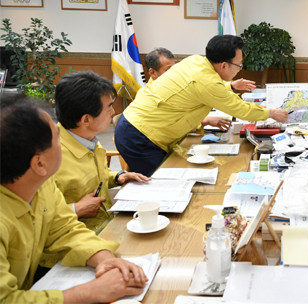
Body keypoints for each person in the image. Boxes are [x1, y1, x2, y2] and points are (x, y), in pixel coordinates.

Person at [0, 94, 148, 303]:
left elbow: (65, 227)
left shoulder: (41, 184)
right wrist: (91, 291)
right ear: (39, 164)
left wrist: (104, 258)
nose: (64, 143)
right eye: (58, 140)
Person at [115, 35, 289, 176]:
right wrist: (271, 113)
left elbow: (198, 88)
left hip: (137, 125)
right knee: (161, 183)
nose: (239, 69)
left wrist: (231, 85)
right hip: (139, 136)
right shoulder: (208, 82)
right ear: (223, 65)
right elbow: (239, 108)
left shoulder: (196, 61)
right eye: (238, 65)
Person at [51, 71, 150, 234]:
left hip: (106, 226)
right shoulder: (49, 159)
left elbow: (91, 176)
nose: (113, 112)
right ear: (86, 120)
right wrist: (76, 210)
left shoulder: (87, 140)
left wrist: (117, 177)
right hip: (73, 244)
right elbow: (32, 219)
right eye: (109, 107)